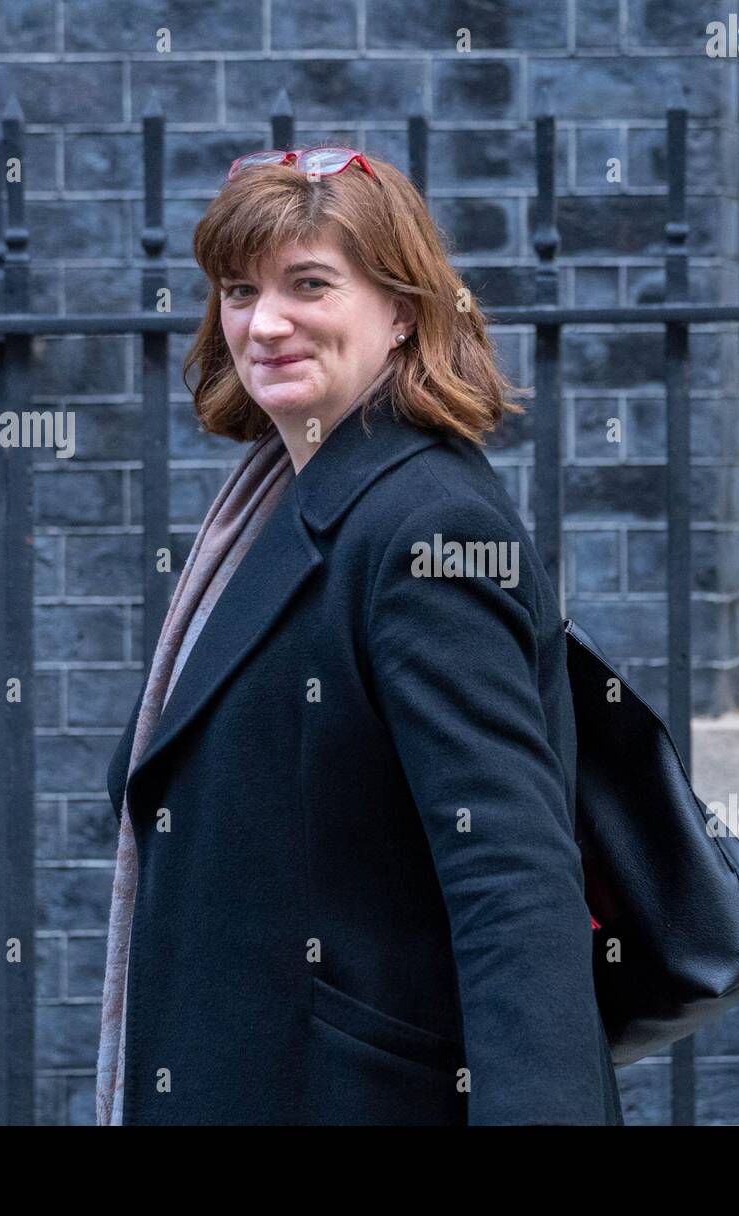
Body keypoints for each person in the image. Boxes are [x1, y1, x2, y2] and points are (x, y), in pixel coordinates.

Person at [96, 146, 623, 1126]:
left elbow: (510, 874)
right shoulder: (266, 510)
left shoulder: (426, 525)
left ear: (404, 310)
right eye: (239, 290)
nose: (264, 322)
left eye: (309, 284)